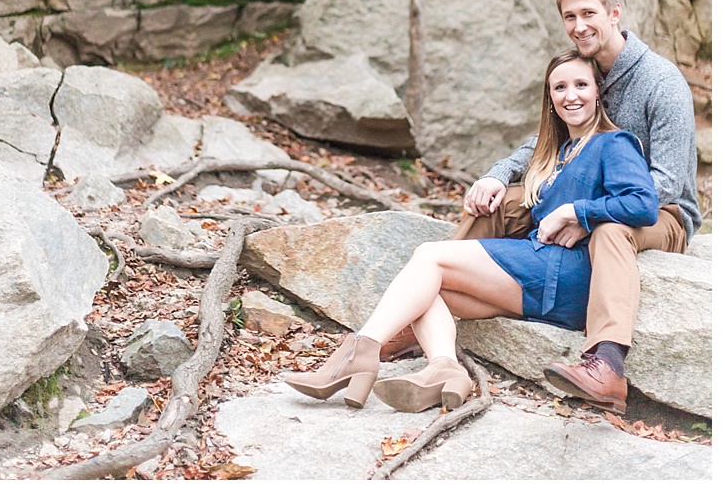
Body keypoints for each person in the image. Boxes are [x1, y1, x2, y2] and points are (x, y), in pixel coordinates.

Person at [280, 50, 658, 412]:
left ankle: (359, 352)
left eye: (581, 85)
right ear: (550, 97)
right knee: (427, 293)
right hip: (545, 280)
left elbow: (643, 204)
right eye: (560, 88)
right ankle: (445, 370)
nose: (570, 95)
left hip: (569, 272)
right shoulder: (557, 152)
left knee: (429, 256)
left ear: (598, 93)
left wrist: (578, 211)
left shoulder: (614, 143)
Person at [424, 0, 699, 412]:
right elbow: (548, 141)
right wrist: (498, 174)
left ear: (615, 14)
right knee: (502, 201)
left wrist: (585, 213)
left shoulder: (661, 83)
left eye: (588, 13)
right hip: (592, 195)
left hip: (662, 213)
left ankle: (607, 363)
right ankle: (429, 296)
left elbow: (665, 181)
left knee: (610, 231)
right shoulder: (584, 69)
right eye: (569, 16)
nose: (579, 25)